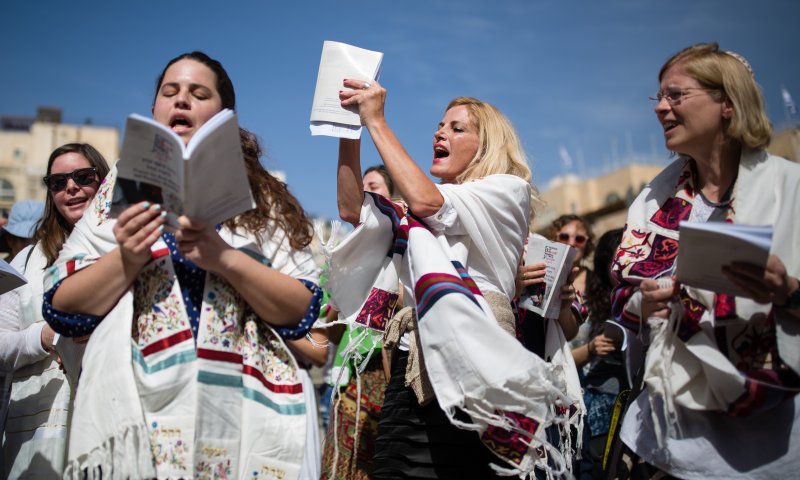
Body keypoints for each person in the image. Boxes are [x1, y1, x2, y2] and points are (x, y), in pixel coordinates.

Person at [41, 52, 321, 479]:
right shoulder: (118, 188)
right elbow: (63, 305)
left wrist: (224, 258)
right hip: (138, 414)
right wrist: (129, 256)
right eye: (170, 92)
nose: (182, 100)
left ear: (225, 115)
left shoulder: (266, 196)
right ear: (155, 109)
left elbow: (301, 310)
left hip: (243, 412)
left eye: (199, 93)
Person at [329, 81, 568, 478]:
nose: (440, 133)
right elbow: (352, 208)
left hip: (474, 367)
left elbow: (426, 203)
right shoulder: (422, 205)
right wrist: (349, 128)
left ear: (488, 144)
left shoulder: (507, 190)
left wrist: (376, 121)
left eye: (457, 128)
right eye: (440, 126)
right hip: (412, 370)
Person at [609, 43, 800, 479]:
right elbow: (623, 292)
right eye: (658, 97)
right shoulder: (652, 201)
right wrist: (644, 302)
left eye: (676, 95)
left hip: (770, 447)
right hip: (667, 444)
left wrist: (789, 292)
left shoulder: (791, 189)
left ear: (727, 103)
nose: (660, 108)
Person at [1, 143, 110, 479]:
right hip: (38, 436)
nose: (71, 187)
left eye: (82, 177)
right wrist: (45, 336)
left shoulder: (131, 251)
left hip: (108, 424)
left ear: (104, 181)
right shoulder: (25, 262)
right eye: (58, 182)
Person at [319, 164, 395, 480]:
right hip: (347, 380)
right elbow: (328, 338)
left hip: (387, 375)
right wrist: (336, 310)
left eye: (374, 188)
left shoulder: (404, 253)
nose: (366, 197)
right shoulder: (339, 260)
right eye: (361, 190)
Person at [568, 227, 625, 477]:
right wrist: (592, 349)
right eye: (618, 259)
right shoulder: (598, 300)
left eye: (579, 238)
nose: (626, 265)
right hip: (601, 404)